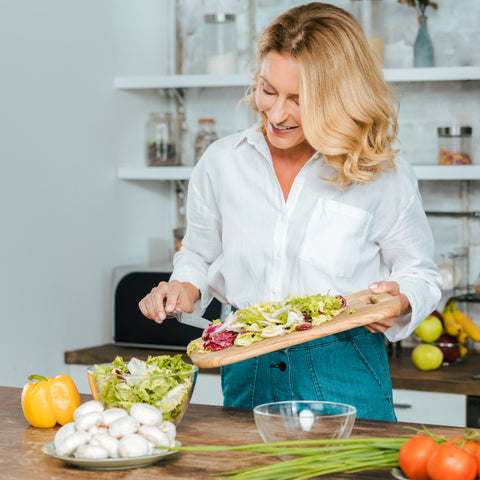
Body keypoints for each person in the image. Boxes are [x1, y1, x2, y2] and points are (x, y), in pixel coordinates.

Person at [139, 2, 442, 420]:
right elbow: (200, 255)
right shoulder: (222, 162)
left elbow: (421, 274)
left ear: (339, 96)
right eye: (268, 90)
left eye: (299, 99)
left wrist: (401, 299)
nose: (276, 114)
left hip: (344, 360)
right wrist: (182, 288)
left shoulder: (382, 175)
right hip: (246, 361)